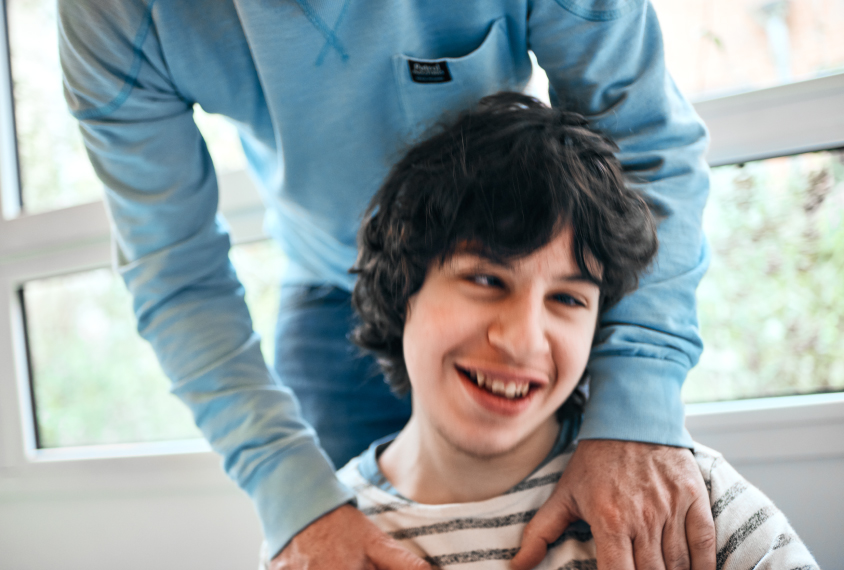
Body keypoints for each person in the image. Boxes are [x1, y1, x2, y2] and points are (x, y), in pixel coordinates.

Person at [58, 1, 714, 568]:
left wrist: (639, 399)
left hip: (521, 265)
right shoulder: (113, 16)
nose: (516, 343)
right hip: (329, 295)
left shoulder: (729, 509)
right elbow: (174, 267)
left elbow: (646, 139)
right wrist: (291, 496)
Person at [320, 92, 816, 570]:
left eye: (567, 298)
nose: (523, 340)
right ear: (403, 286)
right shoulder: (319, 542)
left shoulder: (681, 498)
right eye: (487, 279)